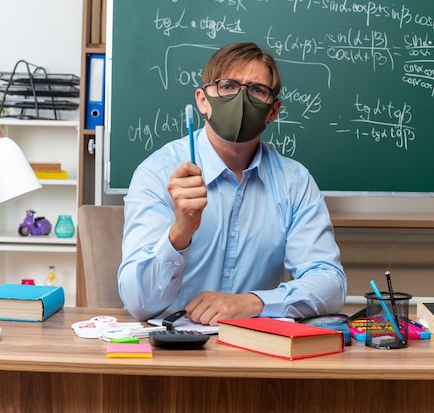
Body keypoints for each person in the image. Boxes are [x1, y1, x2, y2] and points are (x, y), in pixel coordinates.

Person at [118, 42, 346, 325]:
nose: (241, 99)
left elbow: (330, 284)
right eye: (227, 86)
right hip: (173, 350)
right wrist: (180, 232)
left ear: (273, 111)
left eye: (257, 90)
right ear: (202, 101)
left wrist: (253, 302)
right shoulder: (157, 174)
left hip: (257, 349)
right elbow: (139, 304)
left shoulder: (294, 183)